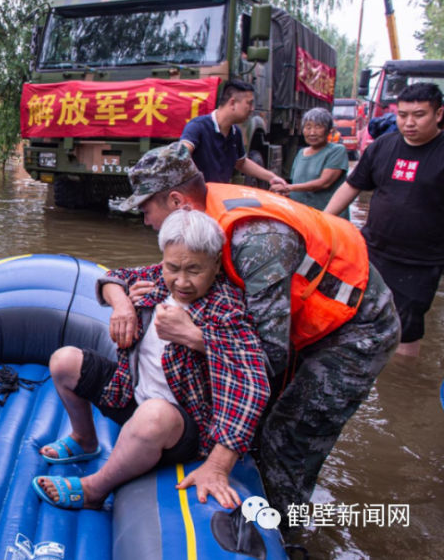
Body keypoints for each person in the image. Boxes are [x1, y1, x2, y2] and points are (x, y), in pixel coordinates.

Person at [117, 142, 399, 528]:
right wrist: (124, 299)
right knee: (266, 422)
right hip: (309, 318)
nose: (146, 221)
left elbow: (267, 357)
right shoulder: (206, 213)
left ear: (178, 200)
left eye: (146, 210)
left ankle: (288, 532)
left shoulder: (255, 241)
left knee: (289, 432)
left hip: (356, 328)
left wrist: (196, 336)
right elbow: (158, 270)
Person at [33, 210, 270, 511]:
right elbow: (113, 277)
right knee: (63, 361)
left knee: (154, 414)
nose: (181, 282)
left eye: (194, 270)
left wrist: (219, 466)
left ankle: (95, 489)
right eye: (173, 267)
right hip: (130, 397)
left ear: (216, 264)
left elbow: (252, 384)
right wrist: (122, 306)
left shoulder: (225, 309)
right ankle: (85, 439)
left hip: (181, 428)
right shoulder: (157, 278)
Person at [325, 82, 444, 358]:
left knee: (405, 334)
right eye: (402, 115)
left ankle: (400, 389)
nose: (409, 123)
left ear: (438, 114)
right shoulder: (383, 145)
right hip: (371, 251)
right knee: (353, 316)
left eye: (418, 115)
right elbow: (352, 186)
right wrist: (321, 221)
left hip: (420, 262)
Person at [180, 79, 288, 189]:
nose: (252, 108)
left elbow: (241, 163)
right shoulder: (198, 126)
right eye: (249, 103)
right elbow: (180, 154)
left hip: (218, 199)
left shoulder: (235, 133)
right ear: (232, 103)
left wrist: (271, 177)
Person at [280, 107, 350, 218]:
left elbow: (324, 183)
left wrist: (288, 188)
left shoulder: (337, 151)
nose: (312, 132)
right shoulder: (301, 153)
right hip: (302, 216)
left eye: (318, 127)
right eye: (308, 127)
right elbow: (297, 187)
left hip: (327, 217)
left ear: (328, 130)